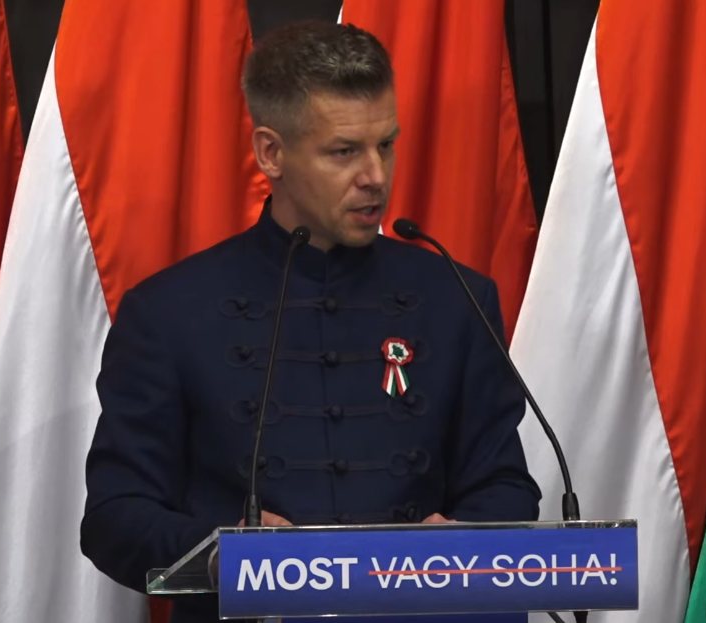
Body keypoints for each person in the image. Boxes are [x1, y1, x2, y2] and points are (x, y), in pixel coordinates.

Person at [80, 19, 541, 623]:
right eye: (344, 152)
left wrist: (460, 543)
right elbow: (115, 515)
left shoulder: (457, 296)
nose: (375, 176)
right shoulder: (168, 312)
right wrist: (223, 557)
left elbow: (505, 485)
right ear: (270, 153)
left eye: (386, 144)